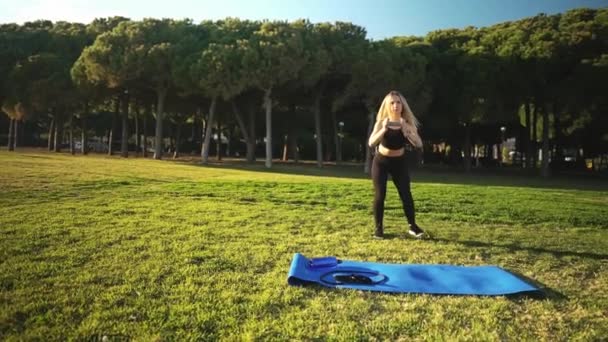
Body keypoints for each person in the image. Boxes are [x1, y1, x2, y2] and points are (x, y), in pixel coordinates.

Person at [368, 90, 424, 239]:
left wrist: (407, 133)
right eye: (392, 103)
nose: (395, 105)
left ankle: (413, 226)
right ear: (387, 105)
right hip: (381, 162)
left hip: (399, 162)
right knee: (380, 195)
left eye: (398, 102)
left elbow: (418, 143)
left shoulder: (407, 123)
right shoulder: (381, 122)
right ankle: (378, 228)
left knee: (406, 194)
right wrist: (384, 130)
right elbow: (371, 142)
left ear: (403, 105)